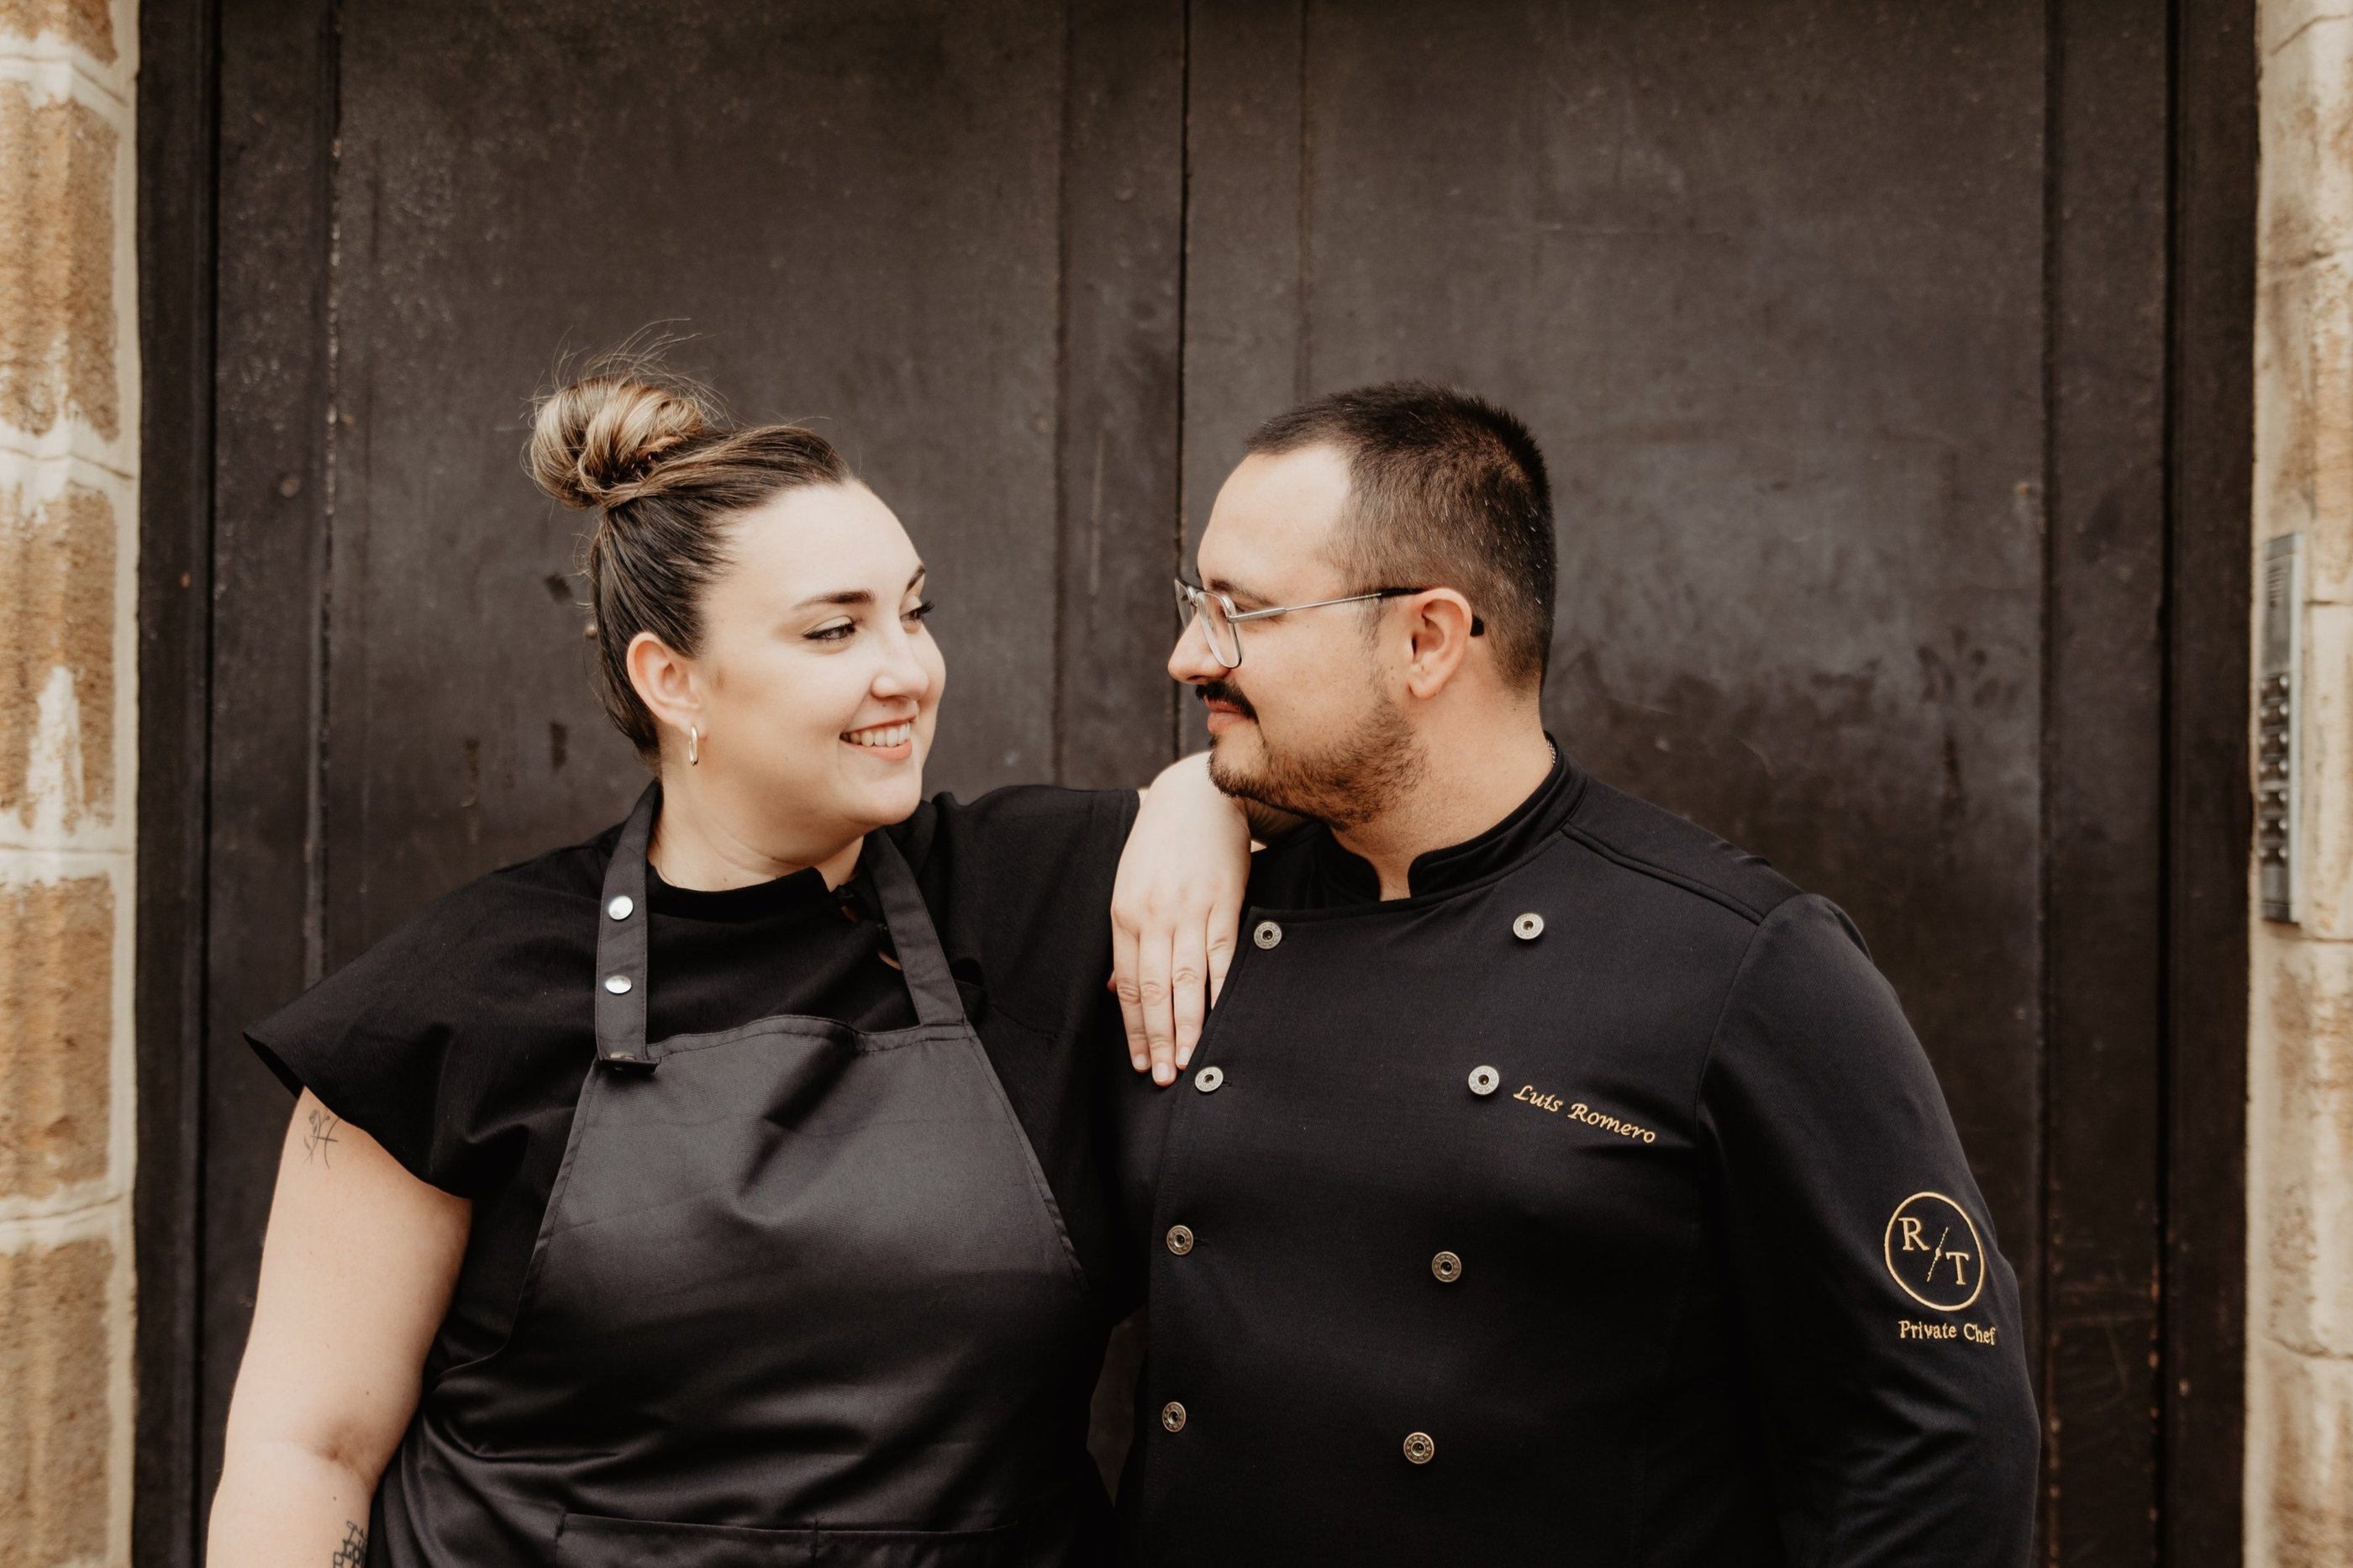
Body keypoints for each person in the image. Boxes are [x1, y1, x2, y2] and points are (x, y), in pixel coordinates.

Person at [206, 360, 1254, 1567]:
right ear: (673, 679)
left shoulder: (1041, 897)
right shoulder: (467, 986)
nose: (907, 668)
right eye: (834, 629)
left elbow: (1349, 802)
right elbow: (308, 1445)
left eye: (913, 610)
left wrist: (1202, 796)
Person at [1111, 383, 2040, 1565]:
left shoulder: (1743, 960)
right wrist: (1178, 794)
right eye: (1200, 601)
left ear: (1427, 639)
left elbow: (1944, 1433)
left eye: (1244, 613)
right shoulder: (1197, 906)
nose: (1189, 651)